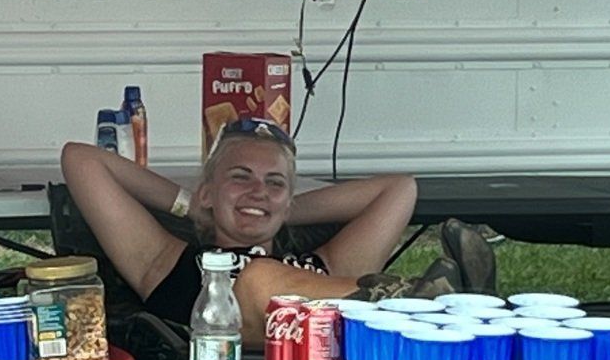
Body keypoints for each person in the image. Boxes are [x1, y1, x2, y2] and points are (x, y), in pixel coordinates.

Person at [59, 120, 493, 344]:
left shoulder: (331, 266)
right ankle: (415, 301)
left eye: (274, 182)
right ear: (210, 190)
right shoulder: (168, 261)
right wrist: (194, 204)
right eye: (241, 178)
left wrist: (277, 210)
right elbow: (81, 159)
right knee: (258, 278)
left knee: (266, 273)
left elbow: (400, 189)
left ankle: (417, 302)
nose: (257, 191)